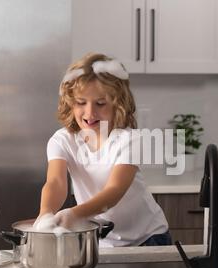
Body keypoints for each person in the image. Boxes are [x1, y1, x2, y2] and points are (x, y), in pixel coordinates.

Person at [33, 53, 171, 247]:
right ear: (70, 104)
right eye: (81, 102)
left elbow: (114, 191)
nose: (90, 113)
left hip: (147, 238)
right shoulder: (62, 140)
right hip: (103, 240)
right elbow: (55, 182)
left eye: (100, 103)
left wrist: (74, 214)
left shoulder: (130, 140)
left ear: (118, 104)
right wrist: (45, 214)